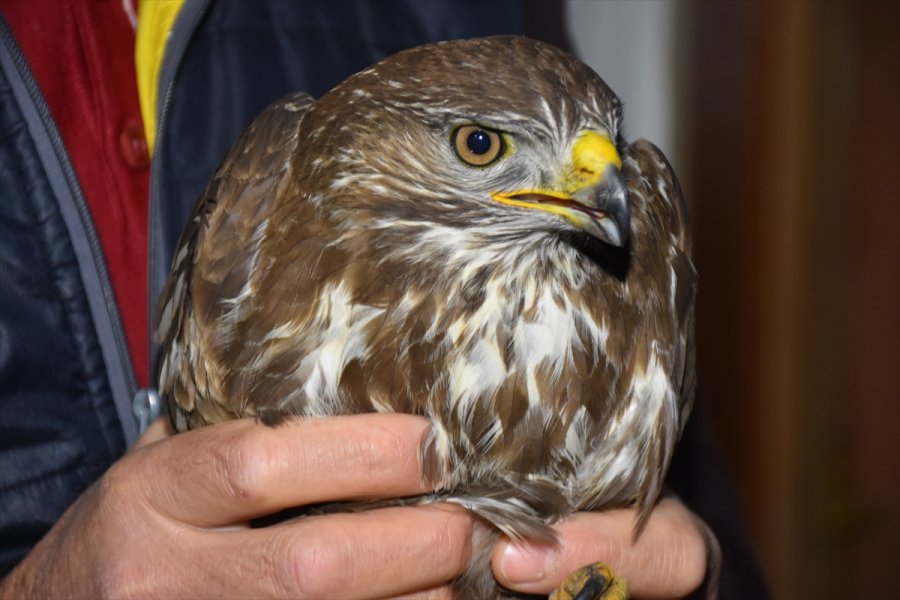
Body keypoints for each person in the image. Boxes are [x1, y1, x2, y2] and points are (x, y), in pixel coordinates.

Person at [0, 0, 768, 597]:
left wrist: (695, 582)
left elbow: (693, 523)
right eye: (479, 146)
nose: (598, 182)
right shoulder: (274, 193)